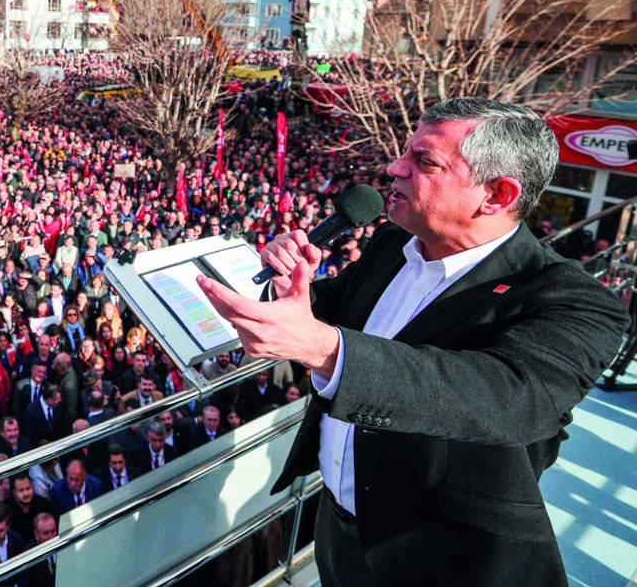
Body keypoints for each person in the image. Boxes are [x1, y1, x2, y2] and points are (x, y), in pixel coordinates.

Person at [199, 99, 629, 587]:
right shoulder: (392, 244)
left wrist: (326, 349)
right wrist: (289, 291)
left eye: (424, 161)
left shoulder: (573, 301)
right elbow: (326, 311)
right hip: (338, 527)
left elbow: (507, 397)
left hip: (451, 559)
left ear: (497, 194)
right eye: (404, 152)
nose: (393, 168)